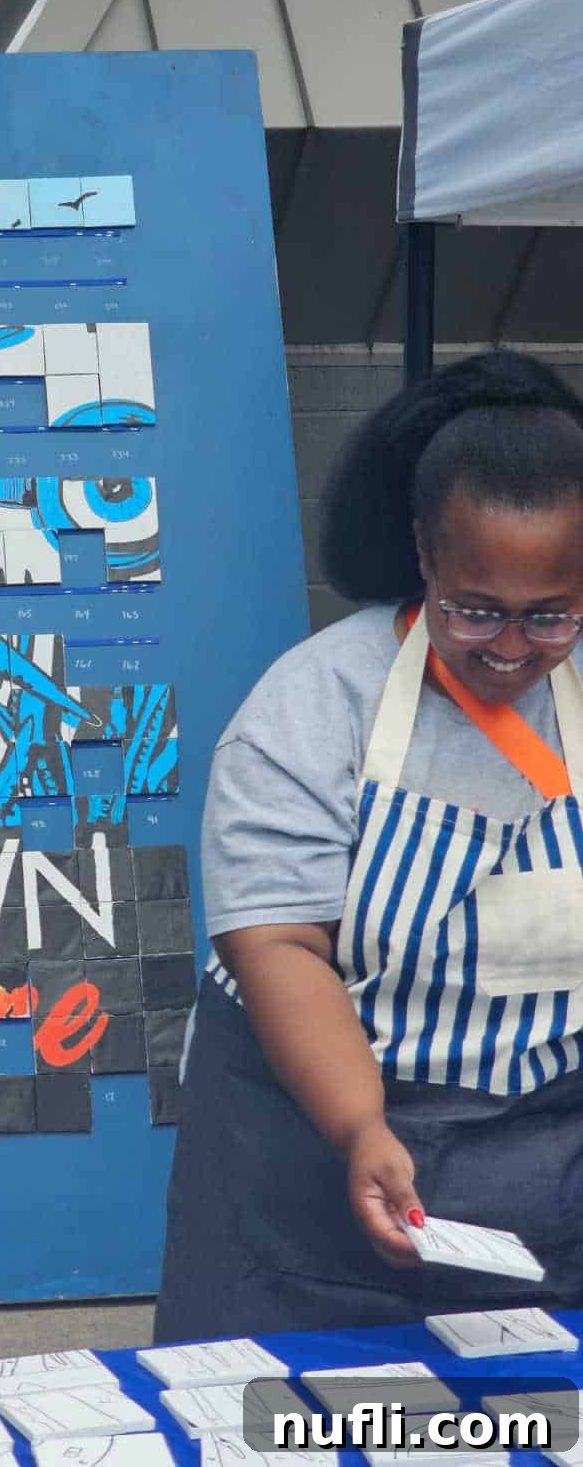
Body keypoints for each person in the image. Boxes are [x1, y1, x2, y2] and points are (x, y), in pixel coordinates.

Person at [155, 350, 583, 1343]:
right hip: (310, 1154)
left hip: (544, 1153)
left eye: (551, 615)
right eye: (477, 609)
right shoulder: (310, 709)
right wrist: (358, 1124)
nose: (512, 647)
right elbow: (280, 944)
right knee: (284, 1418)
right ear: (426, 557)